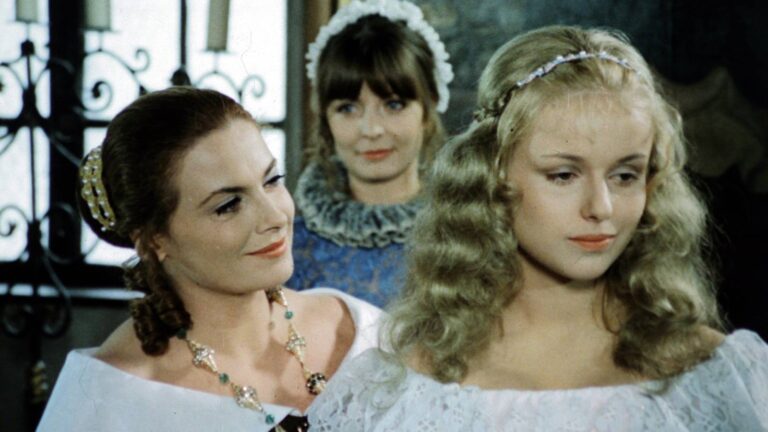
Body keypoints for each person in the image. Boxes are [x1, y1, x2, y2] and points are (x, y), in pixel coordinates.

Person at [307, 26, 768, 430]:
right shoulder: (395, 393)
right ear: (492, 177)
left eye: (625, 175)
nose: (601, 207)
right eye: (564, 175)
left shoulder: (725, 376)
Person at [36, 87, 381, 432]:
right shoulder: (109, 398)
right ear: (154, 240)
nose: (275, 217)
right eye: (228, 205)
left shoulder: (361, 330)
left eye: (272, 181)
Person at [287, 0, 453, 306]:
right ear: (325, 118)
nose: (371, 129)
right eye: (347, 108)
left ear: (428, 108)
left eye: (393, 104)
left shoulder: (468, 234)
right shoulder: (288, 247)